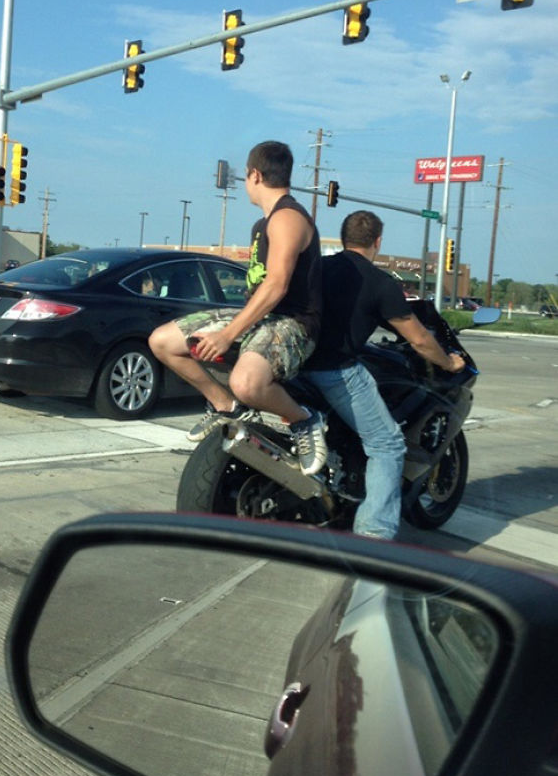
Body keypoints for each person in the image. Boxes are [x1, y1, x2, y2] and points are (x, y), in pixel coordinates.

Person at [149, 140, 325, 474]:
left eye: (246, 177)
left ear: (255, 175)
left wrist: (228, 334)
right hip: (261, 319)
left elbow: (276, 285)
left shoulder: (288, 217)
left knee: (246, 382)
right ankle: (225, 406)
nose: (246, 183)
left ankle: (304, 420)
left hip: (294, 323)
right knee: (162, 341)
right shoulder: (262, 225)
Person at [305, 210, 466, 539]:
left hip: (297, 365)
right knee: (388, 444)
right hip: (334, 370)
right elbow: (420, 339)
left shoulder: (318, 268)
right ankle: (375, 534)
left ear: (345, 237)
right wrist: (449, 362)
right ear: (377, 241)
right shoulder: (379, 283)